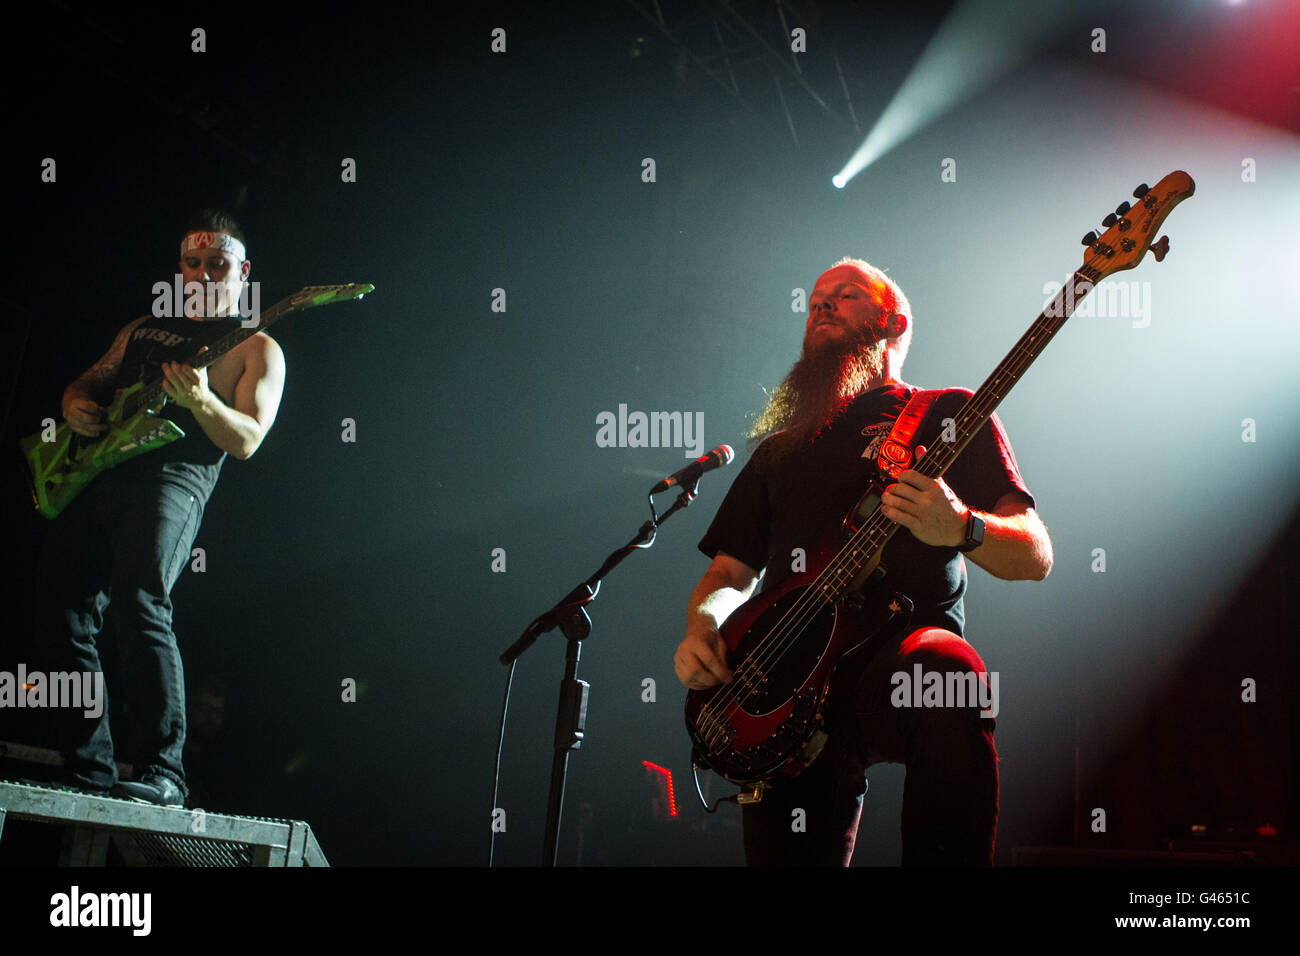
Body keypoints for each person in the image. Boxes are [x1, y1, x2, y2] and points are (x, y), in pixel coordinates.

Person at [674, 258, 1053, 865]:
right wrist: (703, 625)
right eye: (815, 300)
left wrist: (962, 527)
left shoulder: (945, 411)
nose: (821, 306)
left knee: (948, 675)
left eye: (844, 296)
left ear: (891, 321)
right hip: (786, 672)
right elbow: (728, 574)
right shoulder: (781, 447)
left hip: (897, 652)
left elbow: (1034, 555)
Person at [30, 209, 285, 806]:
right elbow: (89, 380)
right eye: (192, 263)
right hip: (100, 476)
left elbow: (246, 439)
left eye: (217, 264)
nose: (201, 273)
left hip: (174, 479)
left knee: (139, 598)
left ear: (242, 272)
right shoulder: (143, 326)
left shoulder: (257, 347)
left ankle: (164, 770)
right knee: (59, 611)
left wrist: (200, 401)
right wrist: (73, 404)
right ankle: (87, 764)